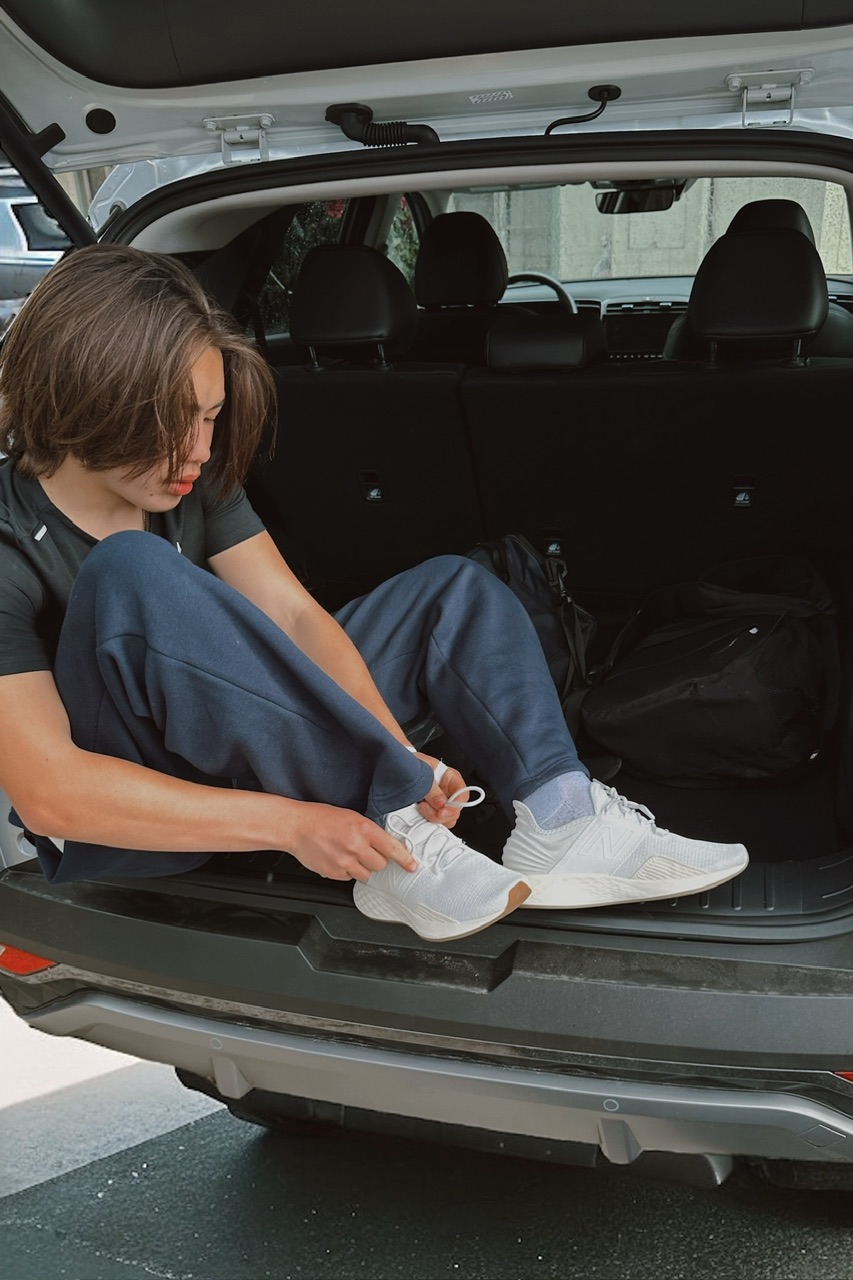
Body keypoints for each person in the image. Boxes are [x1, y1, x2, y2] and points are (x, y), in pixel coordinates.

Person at [0, 244, 749, 942]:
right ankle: (396, 838)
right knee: (134, 569)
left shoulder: (186, 478)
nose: (200, 450)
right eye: (175, 425)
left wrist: (396, 750)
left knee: (455, 589)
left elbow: (295, 615)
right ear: (85, 402)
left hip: (238, 747)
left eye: (212, 416)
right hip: (132, 819)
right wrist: (295, 824)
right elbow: (51, 795)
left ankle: (562, 818)